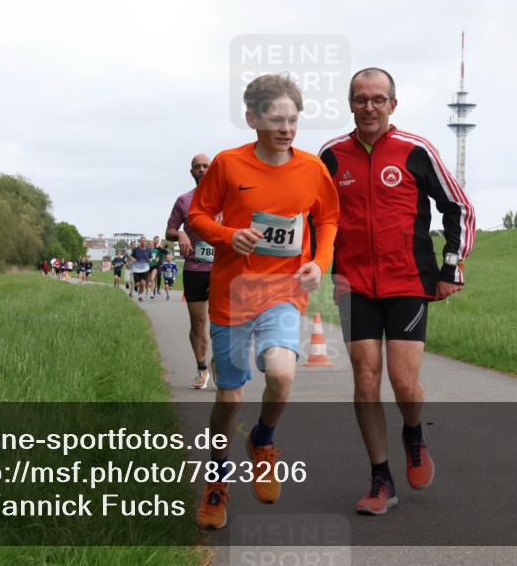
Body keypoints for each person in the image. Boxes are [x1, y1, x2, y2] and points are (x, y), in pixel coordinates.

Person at [318, 67, 475, 516]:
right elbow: (313, 216)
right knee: (365, 380)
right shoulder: (330, 156)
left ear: (393, 104)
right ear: (350, 103)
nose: (370, 106)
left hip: (407, 280)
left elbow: (458, 206)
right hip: (353, 284)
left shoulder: (416, 150)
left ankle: (412, 433)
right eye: (361, 98)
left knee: (403, 383)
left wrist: (450, 266)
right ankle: (380, 478)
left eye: (378, 99)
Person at [189, 73, 339, 531]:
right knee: (229, 397)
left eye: (293, 119)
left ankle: (263, 440)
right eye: (277, 119)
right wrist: (228, 234)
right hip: (233, 294)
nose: (287, 129)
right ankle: (217, 482)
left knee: (281, 372)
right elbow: (197, 215)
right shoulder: (228, 166)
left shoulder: (312, 168)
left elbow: (328, 217)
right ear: (252, 118)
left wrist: (319, 261)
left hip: (282, 292)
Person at [166, 153, 217, 390]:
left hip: (222, 268)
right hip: (195, 269)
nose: (202, 170)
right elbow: (169, 230)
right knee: (198, 324)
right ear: (192, 172)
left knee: (225, 323)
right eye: (197, 167)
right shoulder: (183, 200)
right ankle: (201, 368)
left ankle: (219, 362)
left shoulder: (226, 197)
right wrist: (181, 233)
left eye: (206, 166)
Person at [130, 237, 152, 302]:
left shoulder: (148, 250)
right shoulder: (136, 250)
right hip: (136, 269)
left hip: (145, 269)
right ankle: (136, 286)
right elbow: (131, 256)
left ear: (146, 242)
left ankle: (140, 296)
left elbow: (150, 258)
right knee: (137, 284)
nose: (143, 242)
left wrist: (149, 260)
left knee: (143, 283)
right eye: (142, 241)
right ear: (140, 242)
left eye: (144, 241)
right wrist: (133, 259)